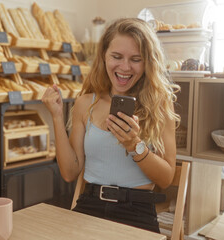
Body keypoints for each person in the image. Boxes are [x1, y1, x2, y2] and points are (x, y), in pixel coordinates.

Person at [41, 18, 180, 233]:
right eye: (116, 56)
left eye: (136, 59)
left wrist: (135, 145)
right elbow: (69, 172)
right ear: (104, 55)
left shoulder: (160, 105)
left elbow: (166, 178)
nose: (125, 67)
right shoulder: (85, 103)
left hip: (138, 211)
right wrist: (57, 117)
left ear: (147, 63)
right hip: (89, 205)